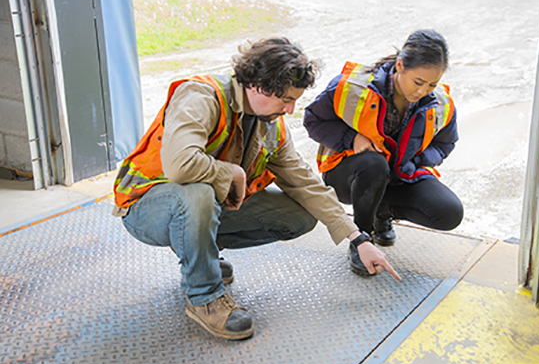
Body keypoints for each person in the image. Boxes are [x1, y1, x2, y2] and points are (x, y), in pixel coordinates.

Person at [112, 38, 401, 341]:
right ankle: (204, 297)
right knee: (198, 193)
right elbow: (180, 166)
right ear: (259, 86)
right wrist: (233, 173)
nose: (289, 110)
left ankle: (202, 257)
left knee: (299, 216)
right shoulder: (201, 95)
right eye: (286, 99)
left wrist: (358, 239)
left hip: (197, 206)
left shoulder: (270, 123)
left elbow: (304, 181)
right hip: (146, 206)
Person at [303, 29, 463, 276]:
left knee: (448, 213)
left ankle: (381, 210)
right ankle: (361, 238)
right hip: (349, 175)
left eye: (432, 84)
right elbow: (313, 120)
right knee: (374, 164)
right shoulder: (352, 87)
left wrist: (416, 161)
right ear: (400, 65)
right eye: (418, 82)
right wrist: (352, 138)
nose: (422, 91)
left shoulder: (440, 103)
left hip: (398, 175)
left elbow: (444, 144)